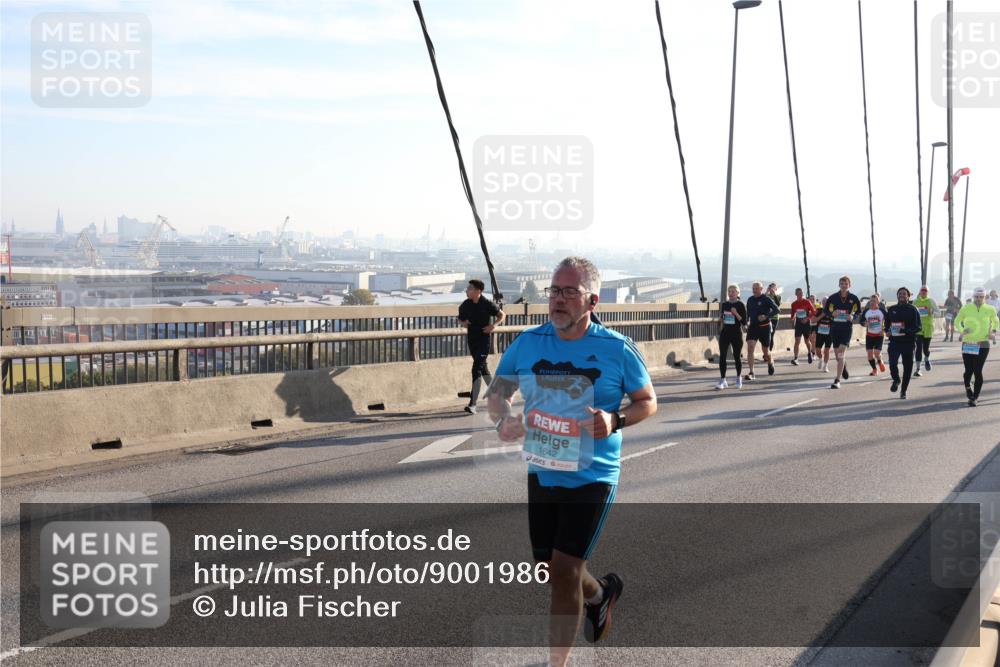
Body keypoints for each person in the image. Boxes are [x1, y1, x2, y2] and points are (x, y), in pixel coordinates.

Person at [488, 256, 657, 666]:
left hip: (593, 472)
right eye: (554, 291)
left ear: (592, 301)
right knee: (549, 568)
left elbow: (647, 402)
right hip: (544, 468)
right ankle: (600, 593)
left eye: (569, 292)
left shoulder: (616, 349)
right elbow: (497, 394)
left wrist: (614, 419)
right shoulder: (528, 342)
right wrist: (503, 421)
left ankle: (556, 664)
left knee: (564, 570)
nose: (557, 300)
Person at [458, 279, 505, 414]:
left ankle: (473, 404)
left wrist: (493, 326)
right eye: (467, 289)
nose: (467, 291)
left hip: (484, 340)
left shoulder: (486, 303)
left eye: (470, 289)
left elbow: (502, 315)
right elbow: (460, 317)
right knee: (483, 369)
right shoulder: (465, 305)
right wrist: (463, 322)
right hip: (472, 339)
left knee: (476, 369)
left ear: (478, 291)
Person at [954, 287, 999, 407]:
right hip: (968, 343)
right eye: (977, 297)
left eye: (981, 297)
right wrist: (962, 330)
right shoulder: (966, 308)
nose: (979, 299)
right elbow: (957, 321)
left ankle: (975, 397)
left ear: (985, 297)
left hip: (983, 344)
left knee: (977, 370)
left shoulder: (990, 309)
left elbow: (996, 322)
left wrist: (993, 332)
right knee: (968, 371)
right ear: (973, 297)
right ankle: (968, 388)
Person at [825, 276, 862, 389]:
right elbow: (826, 310)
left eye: (845, 284)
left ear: (849, 285)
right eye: (841, 283)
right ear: (839, 285)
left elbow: (858, 311)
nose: (843, 285)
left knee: (841, 352)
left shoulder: (853, 298)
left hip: (846, 329)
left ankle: (837, 380)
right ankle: (843, 367)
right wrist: (832, 314)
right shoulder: (833, 298)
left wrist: (853, 316)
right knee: (838, 356)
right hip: (835, 328)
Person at [885, 288, 922, 399]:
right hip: (894, 342)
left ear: (908, 296)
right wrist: (887, 331)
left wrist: (904, 331)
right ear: (897, 296)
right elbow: (887, 324)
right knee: (892, 364)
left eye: (904, 294)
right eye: (900, 294)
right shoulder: (892, 309)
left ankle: (903, 391)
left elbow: (918, 327)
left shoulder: (913, 309)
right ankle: (896, 380)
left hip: (908, 343)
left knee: (907, 368)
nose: (902, 295)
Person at [744, 282, 779, 381]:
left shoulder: (766, 299)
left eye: (756, 288)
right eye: (753, 288)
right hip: (753, 327)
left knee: (766, 351)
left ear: (761, 289)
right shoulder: (750, 300)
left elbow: (777, 310)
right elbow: (748, 314)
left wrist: (766, 316)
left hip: (765, 327)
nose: (754, 290)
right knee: (750, 347)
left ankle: (770, 361)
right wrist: (746, 322)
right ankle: (751, 372)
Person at [716, 284, 747, 390]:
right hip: (725, 332)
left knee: (737, 357)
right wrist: (721, 319)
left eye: (733, 291)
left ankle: (739, 377)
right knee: (722, 356)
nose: (731, 293)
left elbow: (744, 322)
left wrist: (736, 313)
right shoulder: (724, 304)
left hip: (736, 333)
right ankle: (722, 380)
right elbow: (723, 316)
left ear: (738, 293)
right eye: (729, 291)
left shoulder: (741, 305)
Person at [912, 285, 938, 377]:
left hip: (928, 328)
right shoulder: (915, 302)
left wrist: (932, 312)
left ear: (928, 292)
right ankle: (918, 369)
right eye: (922, 290)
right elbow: (912, 313)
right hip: (918, 328)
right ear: (919, 292)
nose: (923, 292)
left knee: (925, 349)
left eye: (925, 290)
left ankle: (926, 359)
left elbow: (938, 312)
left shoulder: (931, 301)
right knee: (918, 348)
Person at [859, 294, 887, 376]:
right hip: (869, 335)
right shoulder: (866, 311)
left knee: (877, 353)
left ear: (878, 301)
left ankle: (880, 361)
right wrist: (865, 324)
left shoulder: (882, 311)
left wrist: (884, 329)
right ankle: (874, 369)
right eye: (871, 301)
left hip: (879, 335)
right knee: (870, 354)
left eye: (874, 301)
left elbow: (889, 320)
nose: (872, 302)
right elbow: (861, 321)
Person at [789, 287, 815, 365]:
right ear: (796, 294)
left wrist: (807, 318)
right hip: (798, 325)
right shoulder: (794, 304)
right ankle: (796, 358)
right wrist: (792, 320)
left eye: (801, 293)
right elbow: (792, 314)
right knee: (797, 341)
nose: (800, 295)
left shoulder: (807, 302)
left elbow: (814, 312)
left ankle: (809, 353)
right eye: (799, 293)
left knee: (807, 341)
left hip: (806, 324)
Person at [811, 297, 834, 372]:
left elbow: (836, 321)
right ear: (822, 303)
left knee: (826, 350)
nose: (825, 303)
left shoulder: (832, 311)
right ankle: (820, 359)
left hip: (829, 334)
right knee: (818, 351)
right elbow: (813, 320)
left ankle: (825, 366)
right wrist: (821, 316)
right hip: (820, 333)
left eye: (826, 301)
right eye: (823, 301)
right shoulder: (819, 311)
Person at [766, 283, 782, 353]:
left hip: (775, 318)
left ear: (776, 289)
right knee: (766, 335)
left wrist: (774, 294)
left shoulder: (778, 296)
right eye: (771, 287)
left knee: (771, 334)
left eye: (773, 288)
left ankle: (769, 351)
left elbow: (778, 304)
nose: (772, 289)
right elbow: (761, 299)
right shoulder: (767, 296)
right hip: (767, 317)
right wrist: (767, 291)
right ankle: (766, 351)